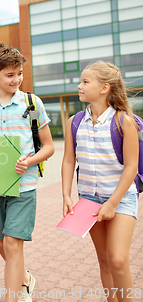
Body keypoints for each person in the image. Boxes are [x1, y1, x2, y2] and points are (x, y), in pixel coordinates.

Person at [0, 43, 55, 302]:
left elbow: (49, 147)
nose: (16, 79)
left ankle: (13, 297)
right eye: (10, 74)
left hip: (25, 186)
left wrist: (29, 161)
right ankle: (25, 279)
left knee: (13, 243)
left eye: (19, 73)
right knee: (0, 243)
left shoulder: (32, 103)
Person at [62, 61, 138, 302]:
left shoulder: (123, 121)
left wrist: (112, 203)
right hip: (89, 200)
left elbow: (131, 167)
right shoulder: (74, 122)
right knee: (104, 261)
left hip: (121, 199)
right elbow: (67, 161)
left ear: (104, 88)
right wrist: (66, 194)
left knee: (117, 259)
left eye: (86, 82)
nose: (79, 86)